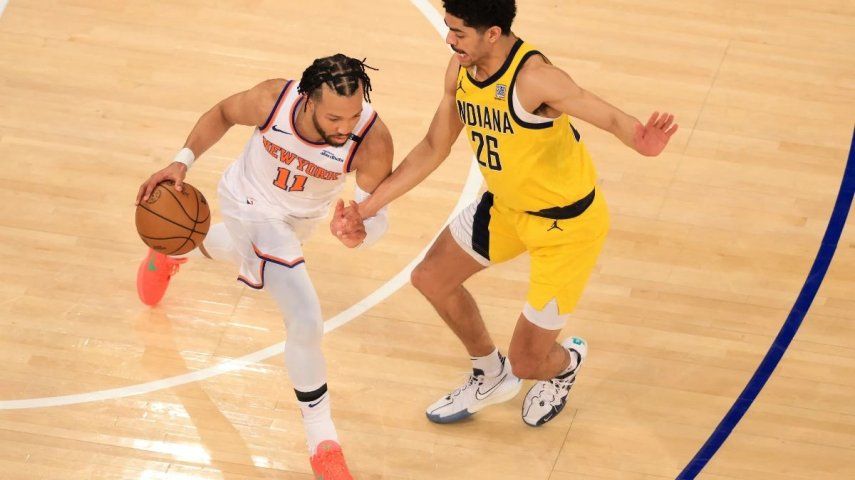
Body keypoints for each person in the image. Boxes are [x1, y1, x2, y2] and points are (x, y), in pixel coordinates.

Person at [332, 0, 677, 427]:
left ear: (492, 33)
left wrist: (639, 139)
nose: (449, 40)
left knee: (530, 362)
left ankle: (566, 363)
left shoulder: (535, 79)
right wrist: (365, 209)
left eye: (459, 32)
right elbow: (433, 148)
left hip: (565, 228)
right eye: (448, 28)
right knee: (430, 279)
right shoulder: (460, 70)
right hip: (505, 209)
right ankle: (491, 374)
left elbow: (602, 112)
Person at [136, 54, 393, 479]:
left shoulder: (372, 139)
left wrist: (365, 231)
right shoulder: (273, 99)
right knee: (306, 317)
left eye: (352, 115)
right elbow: (221, 113)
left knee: (244, 254)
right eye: (334, 117)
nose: (344, 128)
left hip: (297, 224)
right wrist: (182, 160)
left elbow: (378, 213)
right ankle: (322, 440)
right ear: (308, 100)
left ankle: (177, 248)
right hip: (246, 202)